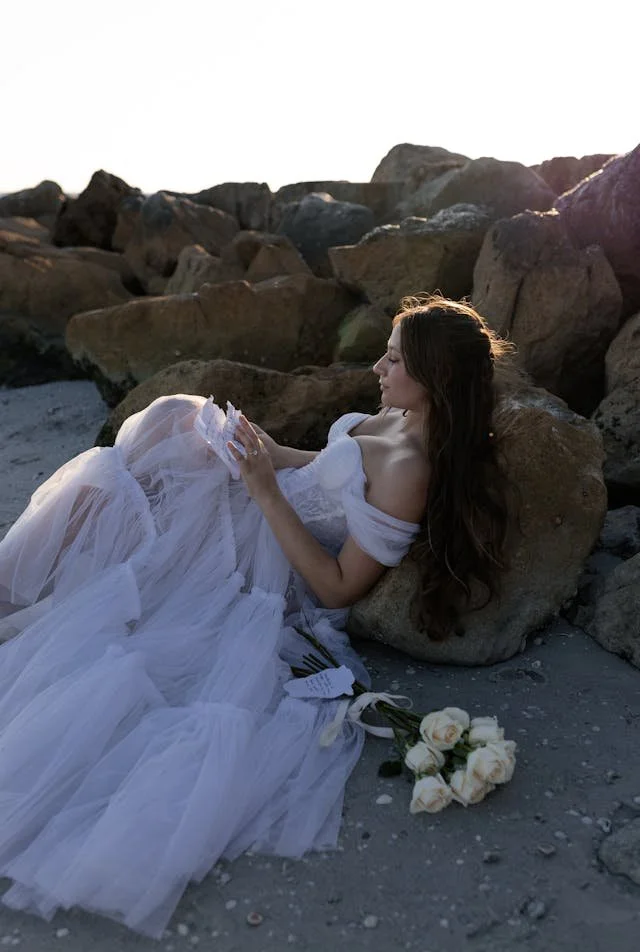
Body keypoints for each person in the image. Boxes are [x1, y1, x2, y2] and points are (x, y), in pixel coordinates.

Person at [0, 295, 510, 937]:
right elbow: (320, 470)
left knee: (104, 495)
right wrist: (261, 451)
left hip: (266, 556)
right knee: (165, 427)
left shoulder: (411, 469)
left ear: (436, 374)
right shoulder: (398, 415)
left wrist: (262, 489)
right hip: (262, 505)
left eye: (394, 359)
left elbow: (337, 588)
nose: (378, 368)